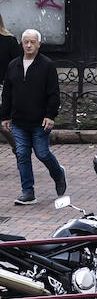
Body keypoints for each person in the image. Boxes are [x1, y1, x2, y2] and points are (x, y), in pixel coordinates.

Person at [1, 28, 64, 206]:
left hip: (39, 121)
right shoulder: (13, 65)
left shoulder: (47, 65)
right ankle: (27, 192)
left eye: (32, 42)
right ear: (22, 44)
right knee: (22, 153)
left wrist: (50, 115)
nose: (29, 45)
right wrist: (4, 116)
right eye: (26, 42)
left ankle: (58, 174)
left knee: (42, 153)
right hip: (19, 121)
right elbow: (7, 93)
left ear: (39, 44)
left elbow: (54, 93)